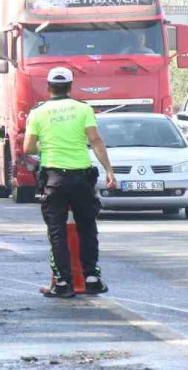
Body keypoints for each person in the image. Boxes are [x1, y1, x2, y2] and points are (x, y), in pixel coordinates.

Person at [23, 67, 118, 297]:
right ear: (71, 86)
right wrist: (109, 170)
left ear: (48, 87)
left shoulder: (38, 113)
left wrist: (46, 145)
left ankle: (63, 283)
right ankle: (92, 278)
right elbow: (95, 140)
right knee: (87, 228)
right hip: (81, 177)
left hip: (54, 178)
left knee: (57, 231)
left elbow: (28, 148)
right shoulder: (83, 109)